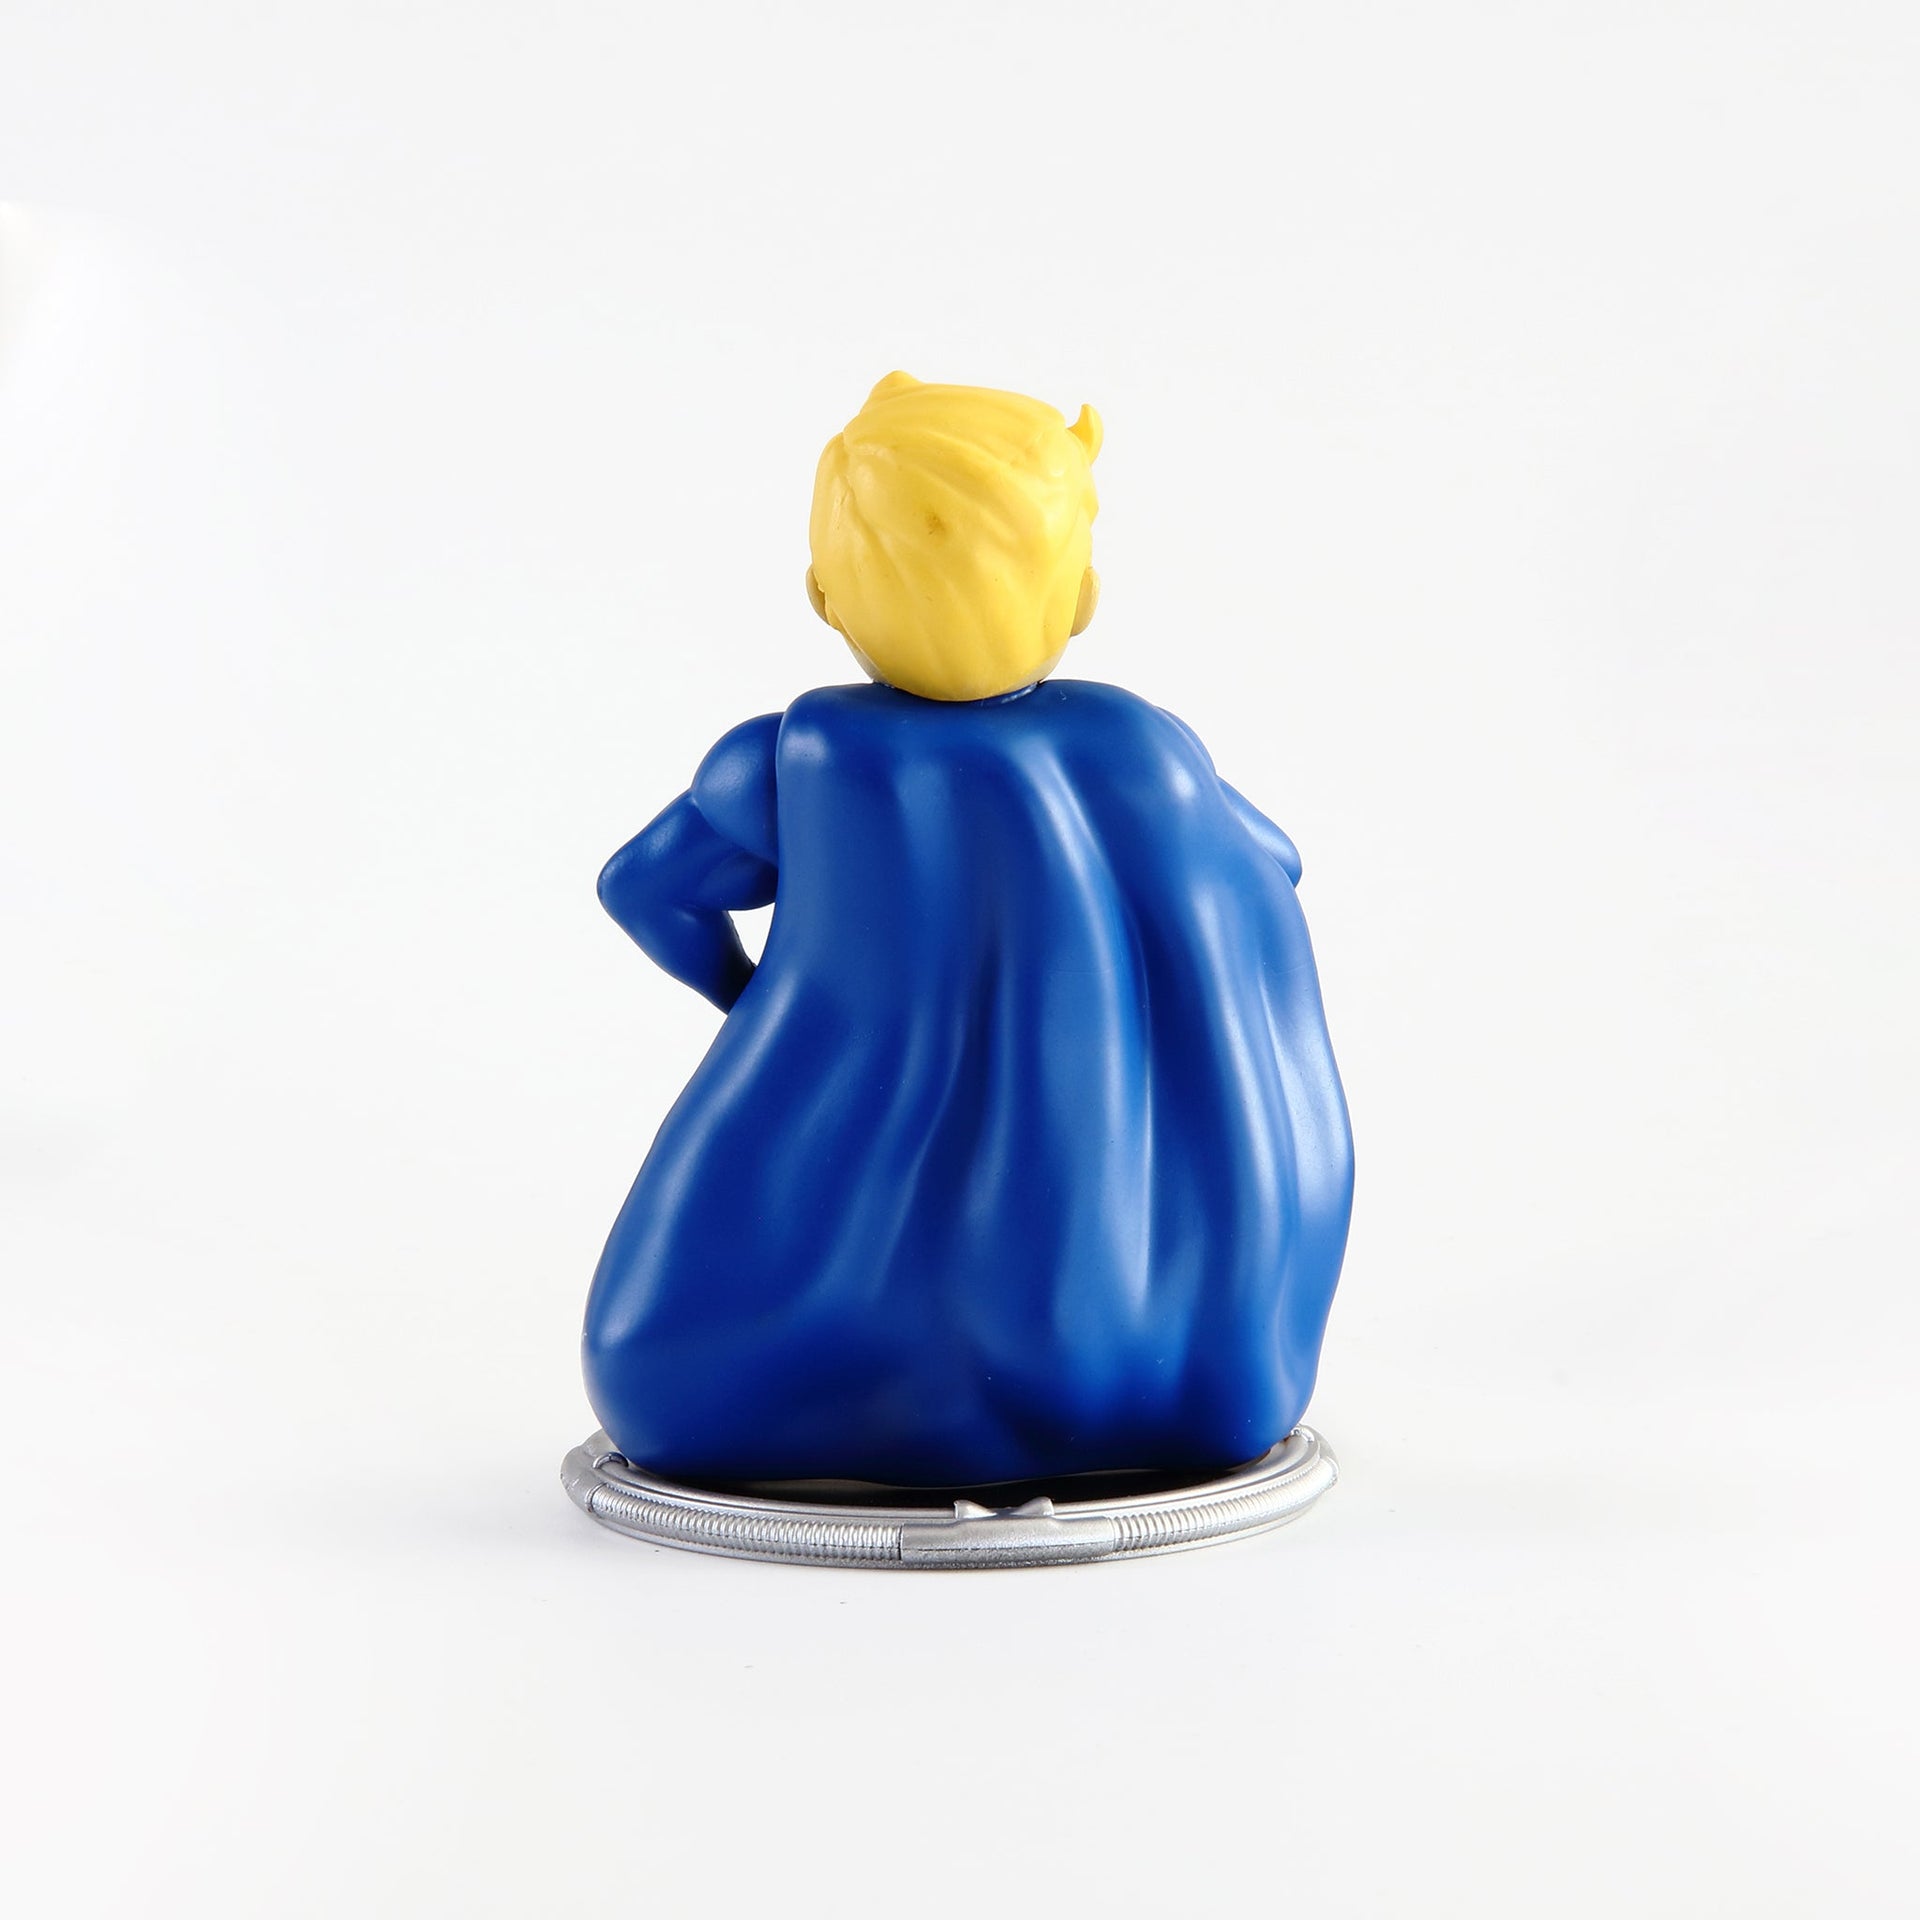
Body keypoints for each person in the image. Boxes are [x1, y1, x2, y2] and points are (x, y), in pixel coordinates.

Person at [584, 373, 1354, 1489]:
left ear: (822, 593)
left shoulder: (791, 763)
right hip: (1174, 1344)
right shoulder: (1150, 752)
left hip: (829, 1223)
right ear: (1081, 596)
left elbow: (643, 890)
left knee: (656, 1380)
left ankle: (883, 1396)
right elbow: (1275, 863)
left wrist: (748, 998)